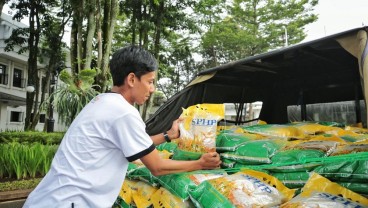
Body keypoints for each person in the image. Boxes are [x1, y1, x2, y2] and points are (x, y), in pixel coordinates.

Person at [23, 45, 221, 208]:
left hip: (50, 198)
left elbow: (132, 145)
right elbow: (157, 167)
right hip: (68, 202)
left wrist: (168, 135)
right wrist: (201, 164)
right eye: (150, 82)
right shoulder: (123, 112)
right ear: (132, 79)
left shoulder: (102, 102)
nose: (152, 89)